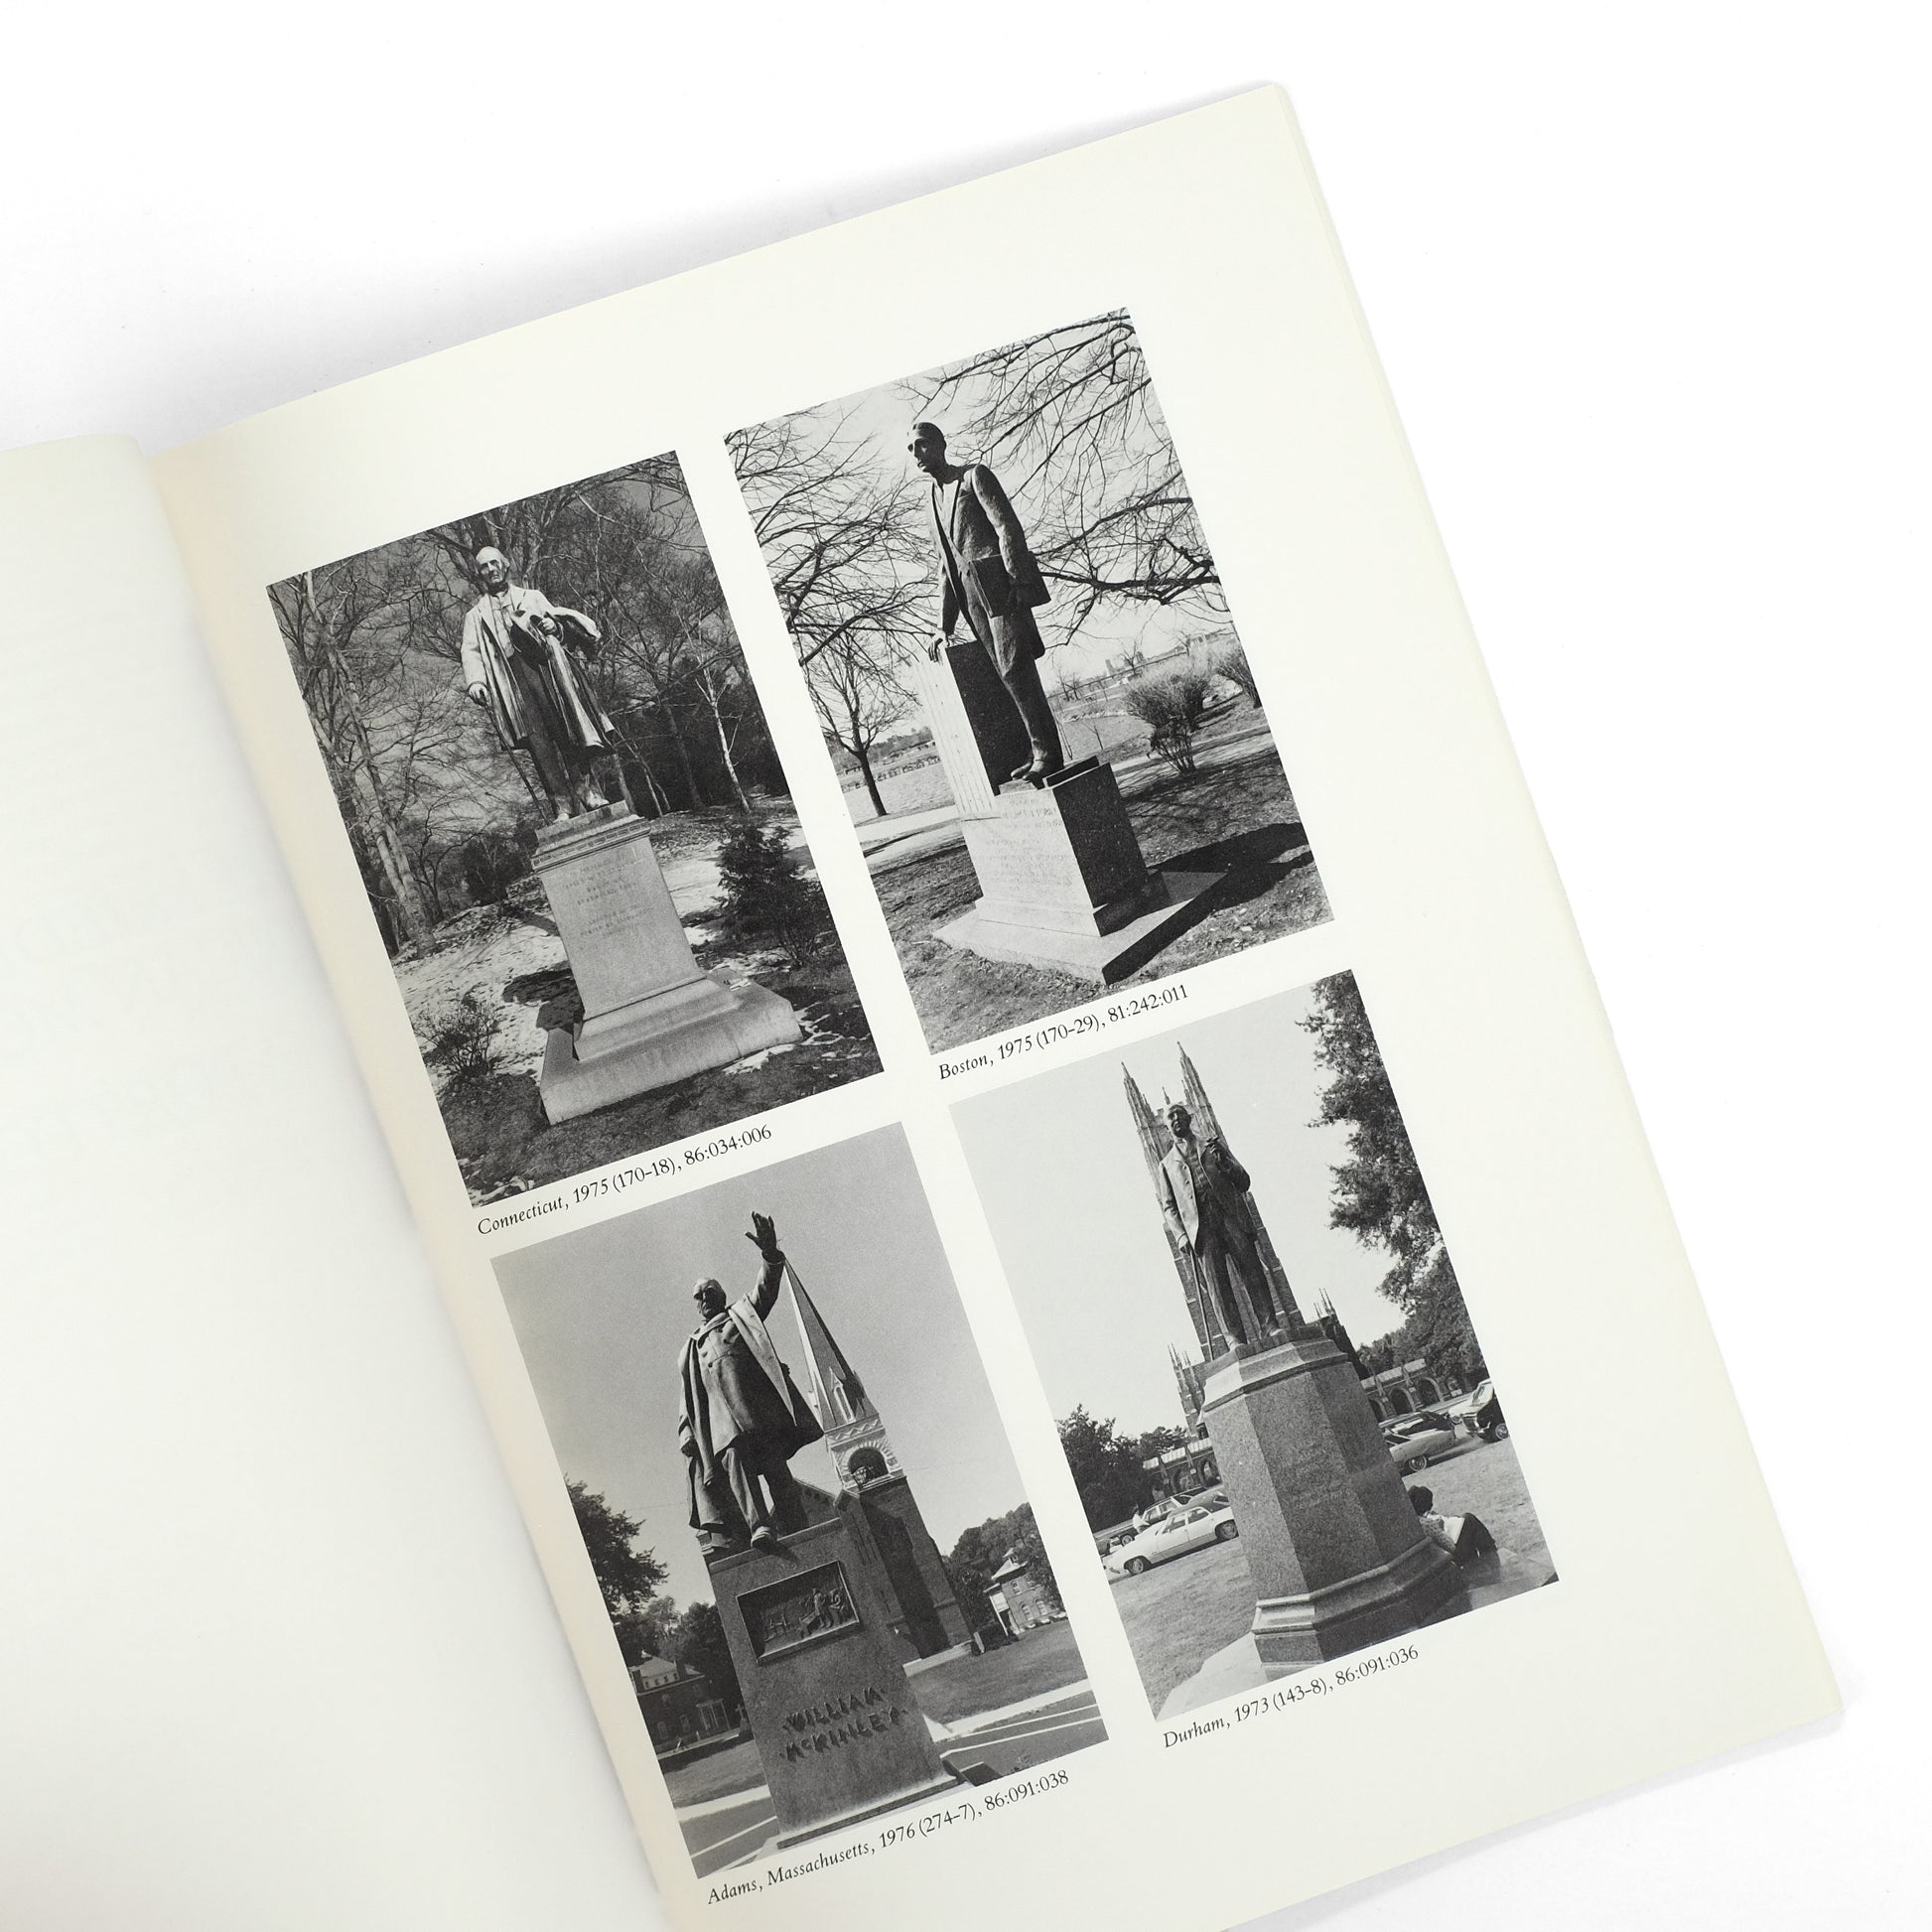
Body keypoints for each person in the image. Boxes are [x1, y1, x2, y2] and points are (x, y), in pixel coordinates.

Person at [909, 420, 1065, 785]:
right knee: (1003, 676)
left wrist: (1016, 578)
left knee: (1015, 669)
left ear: (941, 444)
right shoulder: (931, 502)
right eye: (912, 449)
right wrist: (943, 626)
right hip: (971, 601)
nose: (917, 453)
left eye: (923, 444)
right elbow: (945, 567)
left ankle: (1047, 754)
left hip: (1000, 589)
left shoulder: (973, 476)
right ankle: (1035, 751)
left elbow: (1006, 526)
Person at [676, 1212, 824, 1554]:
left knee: (776, 1468)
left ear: (722, 1294)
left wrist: (770, 1255)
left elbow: (765, 1291)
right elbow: (688, 1397)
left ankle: (796, 1522)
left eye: (710, 1291)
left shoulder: (740, 1314)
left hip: (758, 1412)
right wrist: (685, 1431)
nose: (704, 1297)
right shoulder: (690, 1348)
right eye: (698, 1295)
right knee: (737, 1467)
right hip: (722, 1426)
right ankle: (760, 1526)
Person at [459, 546, 616, 820]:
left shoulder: (531, 596)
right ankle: (562, 806)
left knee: (568, 731)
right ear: (479, 573)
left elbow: (559, 624)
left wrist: (555, 628)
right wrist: (475, 682)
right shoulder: (475, 615)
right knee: (539, 745)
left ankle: (589, 793)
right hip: (512, 683)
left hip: (545, 671)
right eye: (484, 566)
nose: (491, 569)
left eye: (494, 563)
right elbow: (470, 651)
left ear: (504, 565)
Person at [1156, 1101, 1283, 1348]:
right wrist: (1180, 1235)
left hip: (1230, 1215)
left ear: (1191, 1118)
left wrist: (1225, 1161)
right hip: (1200, 1228)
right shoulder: (1166, 1165)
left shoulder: (1212, 1144)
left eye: (1180, 1114)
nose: (1177, 1119)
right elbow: (1168, 1206)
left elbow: (1243, 1182)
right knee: (1217, 1286)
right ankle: (1234, 1338)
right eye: (1171, 1117)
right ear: (1165, 1128)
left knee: (1253, 1270)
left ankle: (1270, 1325)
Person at [1407, 1485, 1498, 1565]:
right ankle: (1490, 1554)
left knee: (1464, 1521)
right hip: (1455, 1556)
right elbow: (1450, 1546)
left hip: (1443, 1555)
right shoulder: (1426, 1524)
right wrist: (1442, 1528)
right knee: (1469, 1519)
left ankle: (1488, 1553)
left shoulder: (1411, 1522)